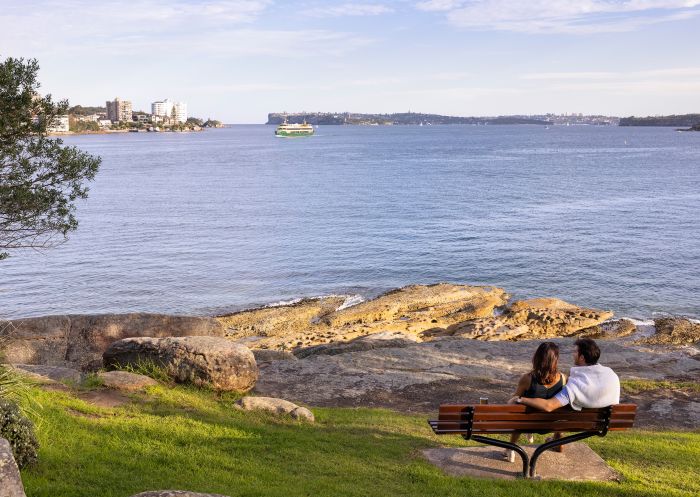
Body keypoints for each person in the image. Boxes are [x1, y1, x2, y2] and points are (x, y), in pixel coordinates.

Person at [510, 338, 620, 412]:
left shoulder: (575, 385)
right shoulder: (612, 375)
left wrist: (520, 399)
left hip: (579, 422)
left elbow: (549, 406)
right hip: (603, 422)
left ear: (582, 357)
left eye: (575, 352)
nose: (573, 354)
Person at [504, 341, 566, 462]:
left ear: (536, 358)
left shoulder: (527, 379)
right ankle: (558, 442)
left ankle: (510, 449)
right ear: (555, 360)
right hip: (552, 425)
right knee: (560, 410)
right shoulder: (564, 379)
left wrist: (515, 399)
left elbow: (512, 405)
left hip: (528, 424)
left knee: (517, 405)